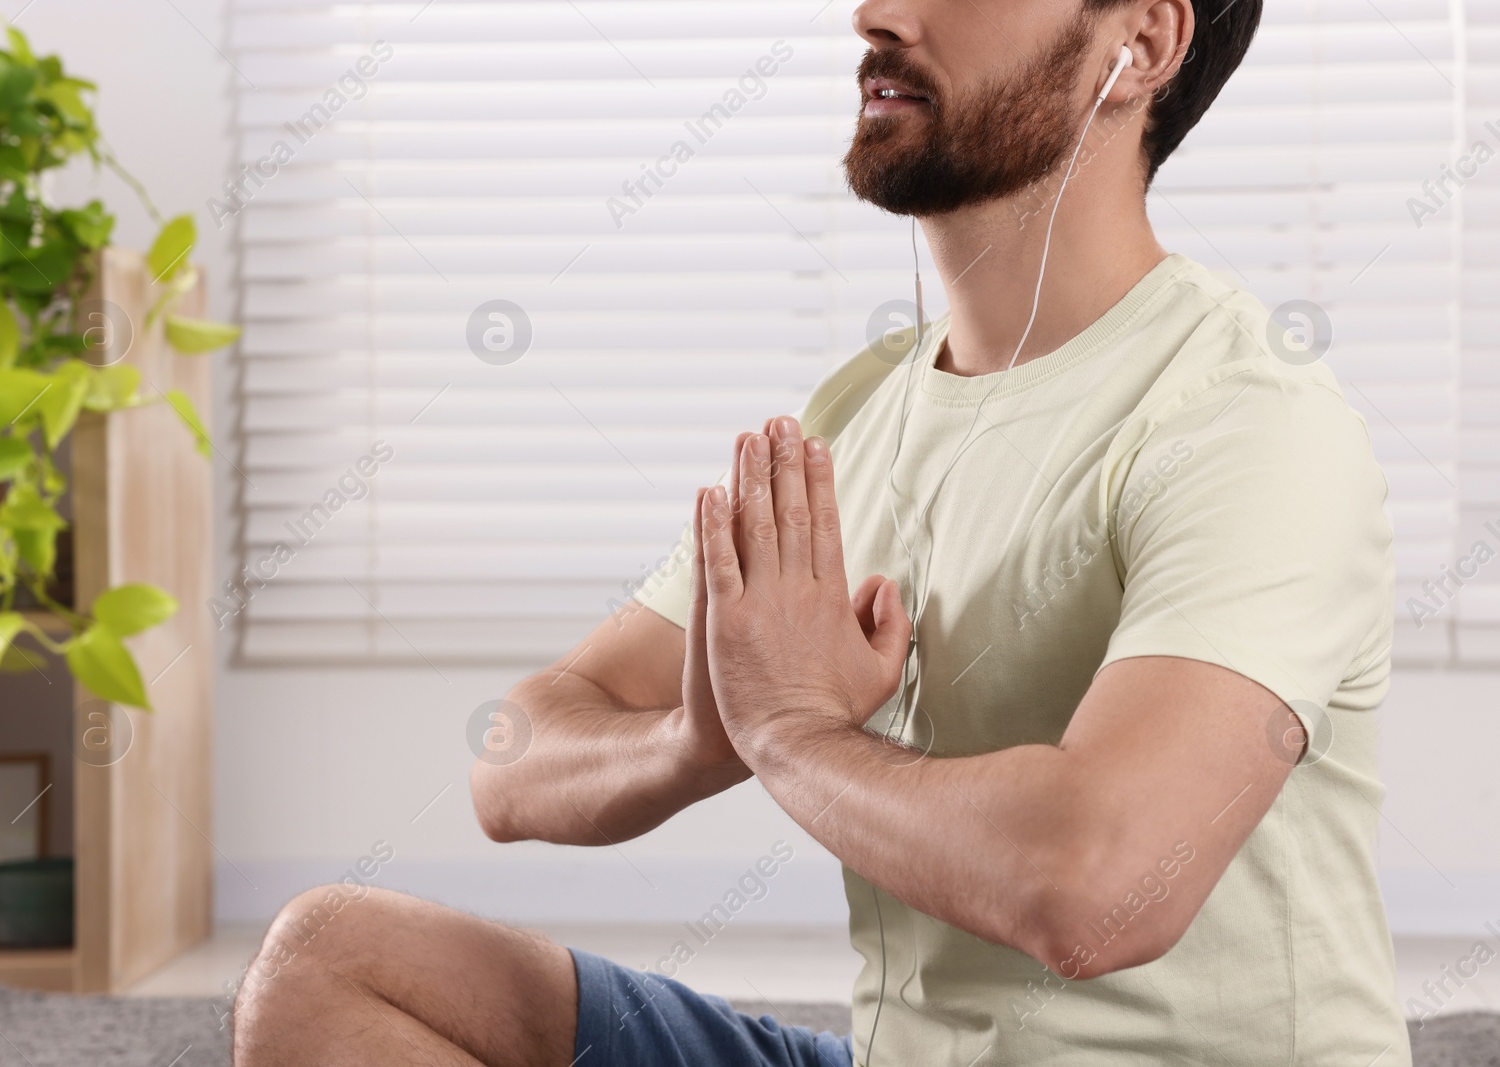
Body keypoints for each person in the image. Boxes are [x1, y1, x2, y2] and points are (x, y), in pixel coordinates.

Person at [234, 0, 1414, 1063]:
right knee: (329, 958)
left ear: (1141, 42)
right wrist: (700, 737)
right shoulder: (858, 411)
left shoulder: (1246, 424)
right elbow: (512, 757)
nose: (877, 14)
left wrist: (788, 730)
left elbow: (1099, 888)